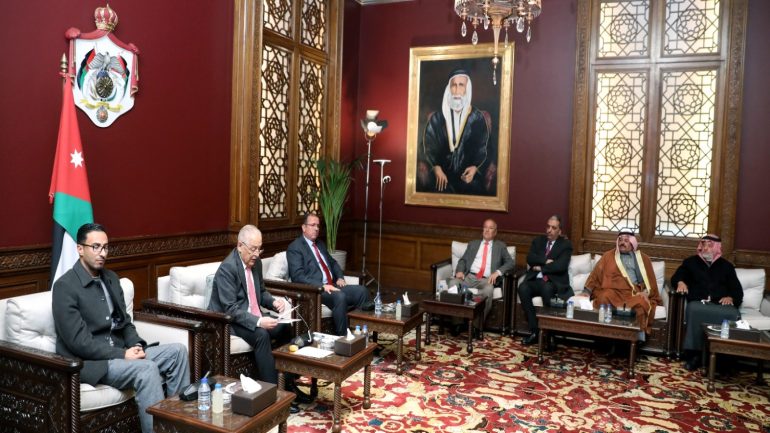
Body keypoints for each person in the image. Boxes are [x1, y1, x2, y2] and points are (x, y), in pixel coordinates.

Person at [53, 223, 190, 433]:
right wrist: (123, 354)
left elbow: (125, 322)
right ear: (80, 249)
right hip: (94, 363)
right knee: (147, 369)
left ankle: (177, 427)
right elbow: (78, 342)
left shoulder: (111, 278)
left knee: (177, 352)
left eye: (106, 247)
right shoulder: (65, 286)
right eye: (96, 247)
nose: (102, 253)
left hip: (121, 353)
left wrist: (136, 345)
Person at [208, 224, 312, 411]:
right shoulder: (227, 269)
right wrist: (258, 321)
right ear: (240, 246)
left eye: (259, 249)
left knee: (284, 328)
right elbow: (230, 309)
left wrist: (273, 302)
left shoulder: (255, 263)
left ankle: (288, 385)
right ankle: (274, 395)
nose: (257, 254)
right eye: (253, 249)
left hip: (251, 315)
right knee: (261, 335)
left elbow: (261, 292)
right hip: (228, 321)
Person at [287, 213, 370, 336]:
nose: (316, 228)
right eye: (313, 225)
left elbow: (333, 263)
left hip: (332, 286)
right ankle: (343, 337)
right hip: (316, 290)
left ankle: (361, 334)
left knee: (362, 291)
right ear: (304, 227)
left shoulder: (320, 244)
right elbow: (298, 276)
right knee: (339, 297)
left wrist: (340, 277)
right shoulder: (295, 248)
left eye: (318, 226)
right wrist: (322, 286)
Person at [671, 234, 742, 371]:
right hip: (698, 302)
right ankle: (694, 356)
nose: (705, 248)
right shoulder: (690, 262)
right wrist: (680, 282)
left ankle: (724, 357)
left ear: (717, 248)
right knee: (694, 310)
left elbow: (737, 290)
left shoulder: (727, 266)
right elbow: (677, 277)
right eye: (703, 245)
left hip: (721, 304)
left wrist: (731, 298)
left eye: (710, 245)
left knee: (732, 314)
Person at [418, 69, 492, 195]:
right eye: (454, 85)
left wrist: (475, 168)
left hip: (469, 179)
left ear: (467, 89)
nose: (457, 90)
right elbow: (427, 146)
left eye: (461, 85)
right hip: (441, 178)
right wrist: (436, 168)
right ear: (449, 89)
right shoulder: (437, 118)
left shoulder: (477, 118)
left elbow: (485, 148)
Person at [585, 231, 661, 337]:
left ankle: (634, 338)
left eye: (626, 240)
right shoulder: (608, 256)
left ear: (632, 243)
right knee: (603, 297)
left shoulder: (643, 259)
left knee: (641, 303)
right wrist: (586, 292)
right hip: (612, 291)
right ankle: (604, 335)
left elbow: (649, 281)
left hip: (632, 293)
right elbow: (595, 275)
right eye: (620, 240)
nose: (622, 243)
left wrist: (645, 292)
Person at [446, 218, 514, 336]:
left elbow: (510, 263)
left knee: (488, 290)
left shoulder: (500, 246)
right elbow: (463, 260)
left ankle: (476, 326)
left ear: (495, 232)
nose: (487, 230)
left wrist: (497, 272)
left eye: (490, 228)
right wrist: (460, 271)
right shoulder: (473, 244)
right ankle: (457, 323)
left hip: (486, 279)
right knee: (453, 284)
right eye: (485, 227)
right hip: (469, 276)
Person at [518, 215, 574, 345]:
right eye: (548, 227)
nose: (549, 230)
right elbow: (530, 258)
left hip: (552, 282)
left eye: (553, 228)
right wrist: (545, 260)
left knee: (546, 288)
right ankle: (535, 331)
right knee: (523, 287)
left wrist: (540, 268)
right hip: (535, 280)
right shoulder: (538, 241)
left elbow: (560, 266)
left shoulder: (565, 245)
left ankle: (549, 334)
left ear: (559, 231)